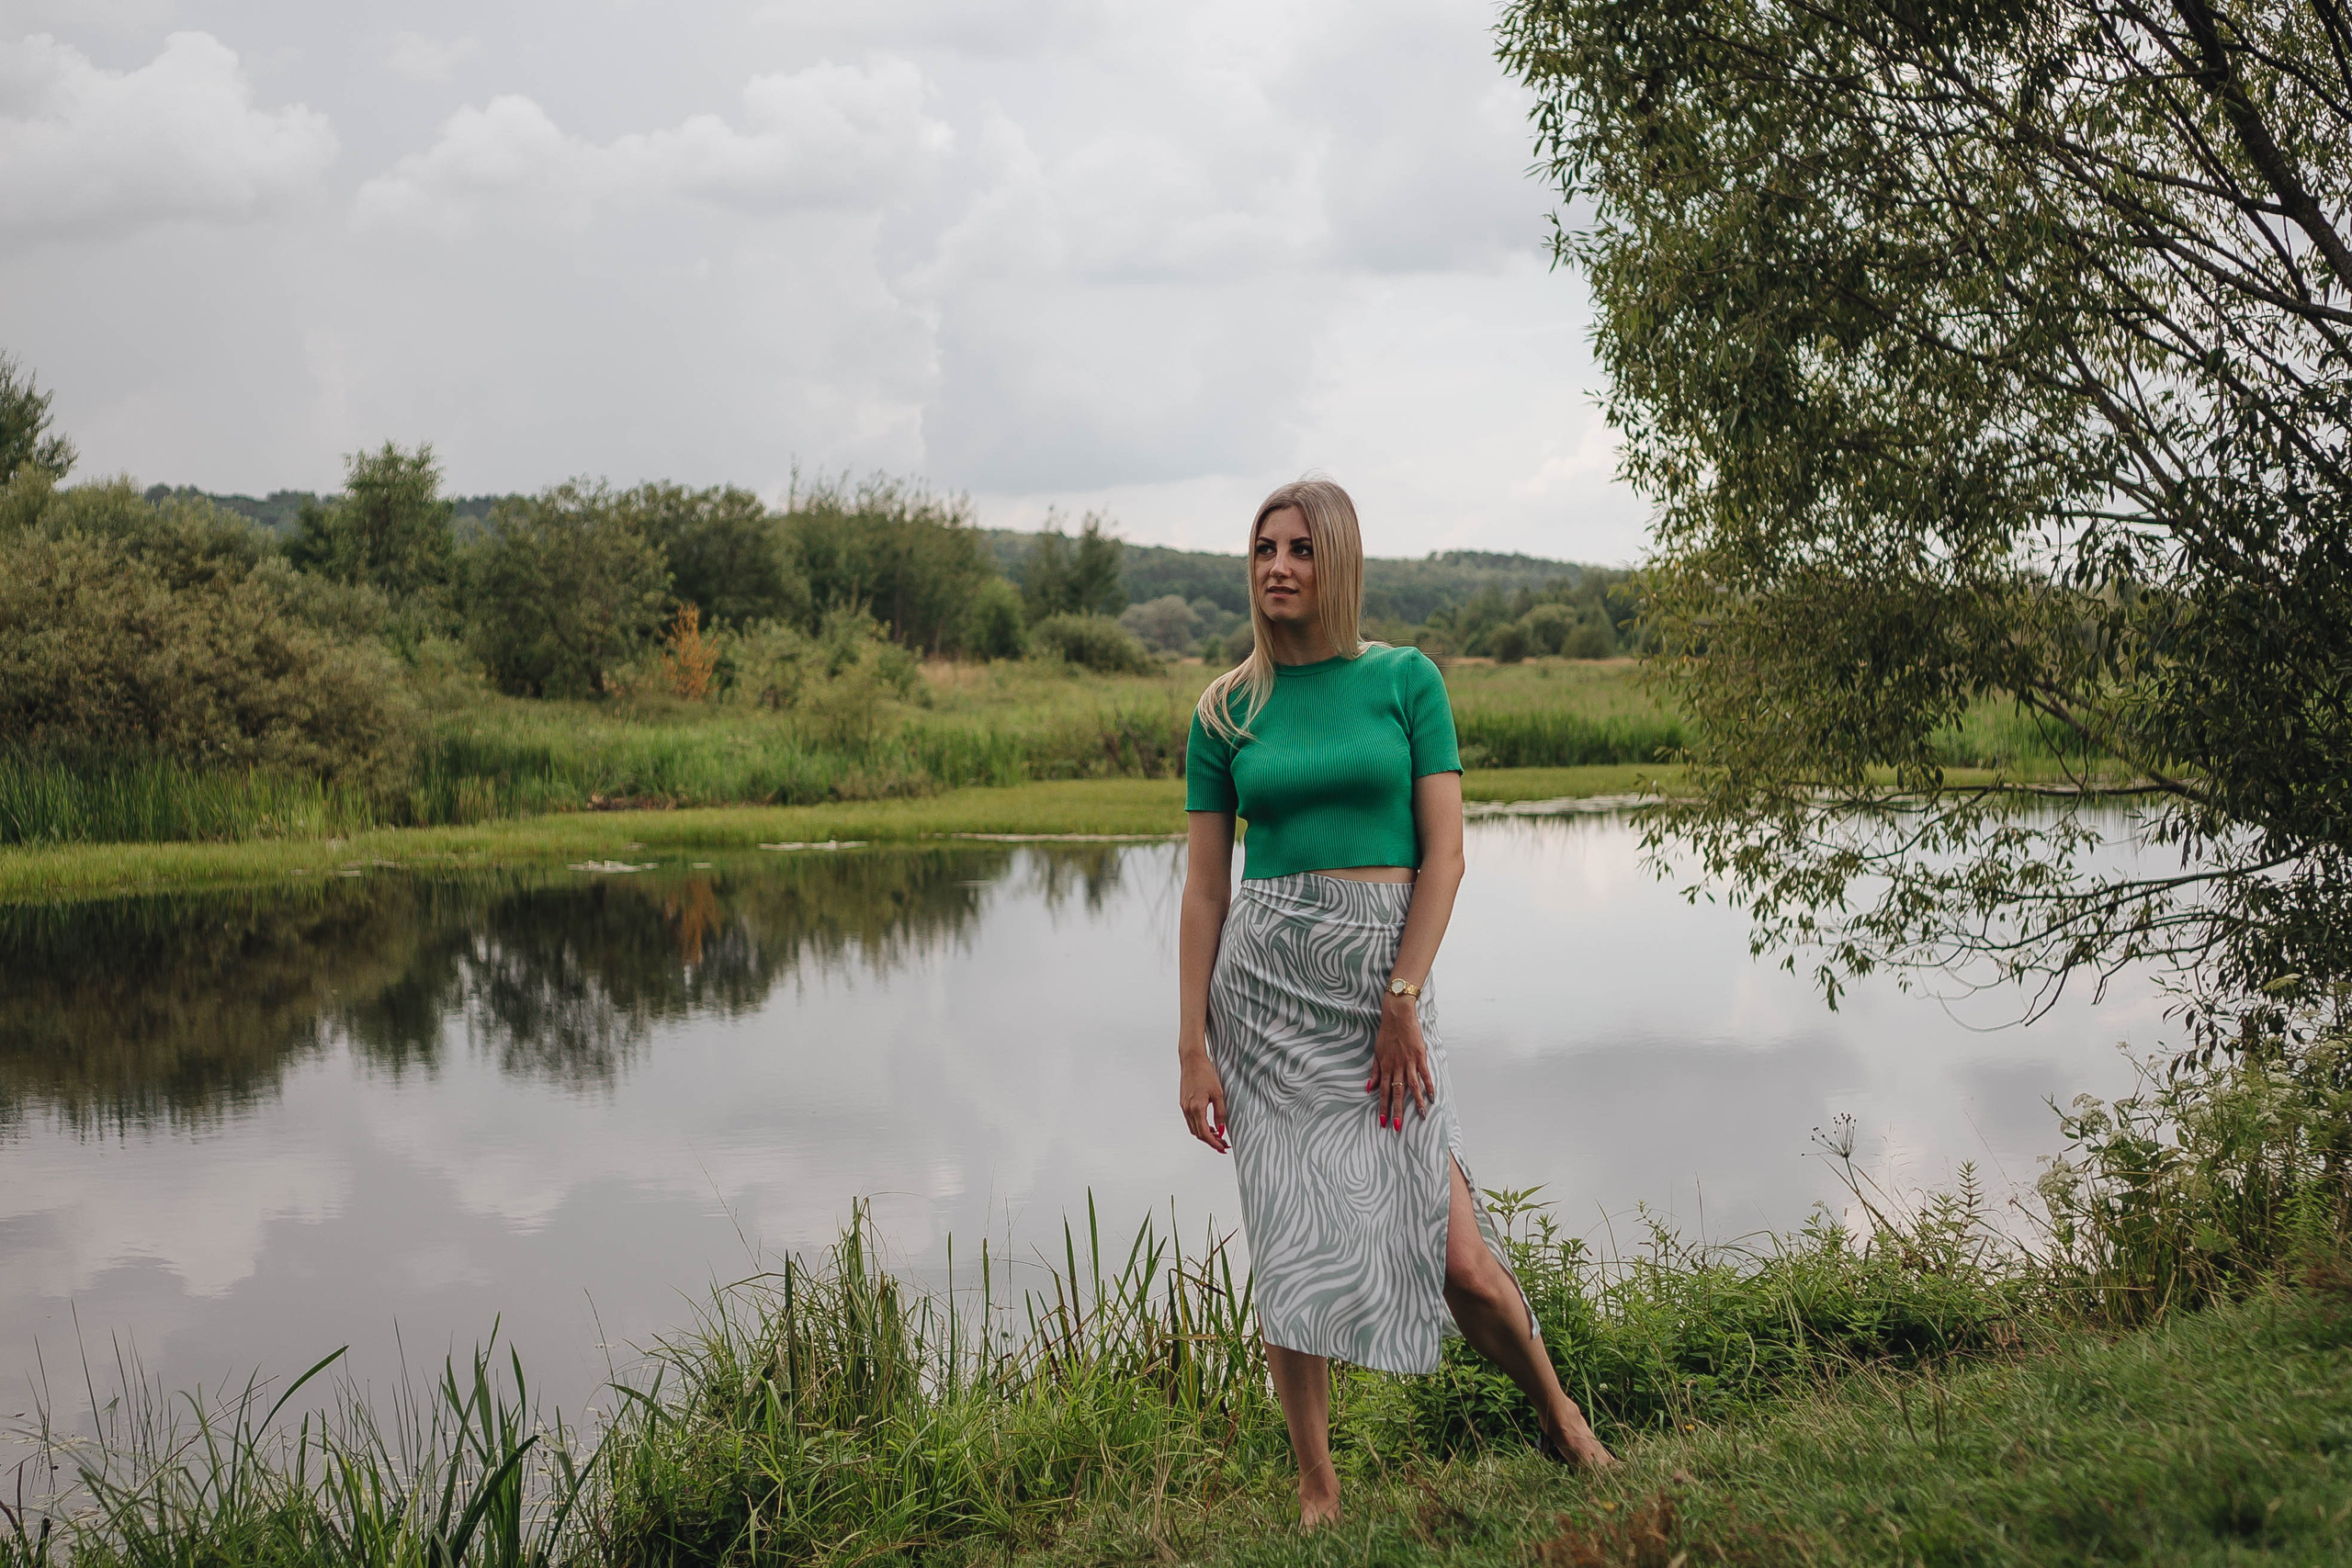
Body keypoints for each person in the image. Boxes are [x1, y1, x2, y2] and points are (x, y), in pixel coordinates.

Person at [1176, 477, 1615, 1529]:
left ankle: (1558, 1416)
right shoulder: (1224, 709)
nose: (1277, 565)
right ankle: (1318, 1488)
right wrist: (1190, 1044)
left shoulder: (1407, 682)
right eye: (1263, 548)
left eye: (1299, 549)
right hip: (1266, 1005)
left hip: (1382, 996)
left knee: (1458, 1256)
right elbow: (1202, 888)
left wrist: (1402, 997)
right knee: (1288, 1247)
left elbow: (1447, 857)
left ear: (1338, 561)